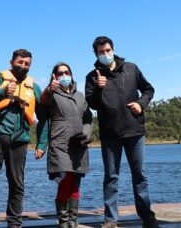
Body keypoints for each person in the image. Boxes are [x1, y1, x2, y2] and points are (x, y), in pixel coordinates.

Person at [85, 36, 159, 228]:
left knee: (140, 176)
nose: (105, 54)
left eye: (108, 50)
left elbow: (148, 89)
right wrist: (99, 89)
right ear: (96, 54)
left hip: (135, 131)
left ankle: (147, 217)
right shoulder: (92, 77)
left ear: (113, 49)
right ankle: (110, 220)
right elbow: (92, 103)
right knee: (111, 177)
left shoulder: (131, 68)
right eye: (101, 52)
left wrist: (140, 104)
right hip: (110, 135)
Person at [0, 49, 48, 228]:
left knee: (17, 184)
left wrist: (41, 143)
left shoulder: (34, 87)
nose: (23, 66)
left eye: (27, 64)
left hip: (19, 140)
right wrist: (3, 92)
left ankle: (14, 223)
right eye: (20, 62)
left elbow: (44, 117)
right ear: (11, 62)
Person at [41, 63, 92, 228]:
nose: (64, 75)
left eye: (66, 72)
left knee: (75, 184)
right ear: (54, 76)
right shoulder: (52, 93)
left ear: (71, 74)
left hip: (79, 146)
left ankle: (73, 221)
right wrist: (49, 89)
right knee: (64, 182)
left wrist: (86, 133)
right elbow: (43, 101)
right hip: (60, 145)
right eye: (60, 73)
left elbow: (88, 118)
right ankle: (63, 223)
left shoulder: (80, 96)